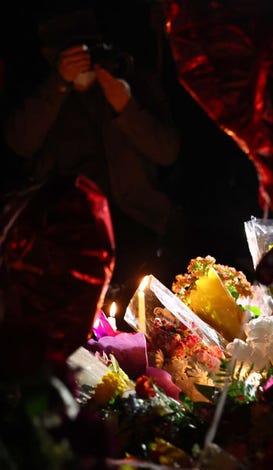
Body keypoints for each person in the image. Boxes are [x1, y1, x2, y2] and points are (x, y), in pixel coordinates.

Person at [3, 7, 182, 300]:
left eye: (87, 50)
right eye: (70, 54)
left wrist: (126, 106)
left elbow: (166, 151)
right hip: (71, 232)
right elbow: (20, 142)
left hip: (137, 221)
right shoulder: (41, 91)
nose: (82, 61)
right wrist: (59, 84)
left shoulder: (132, 78)